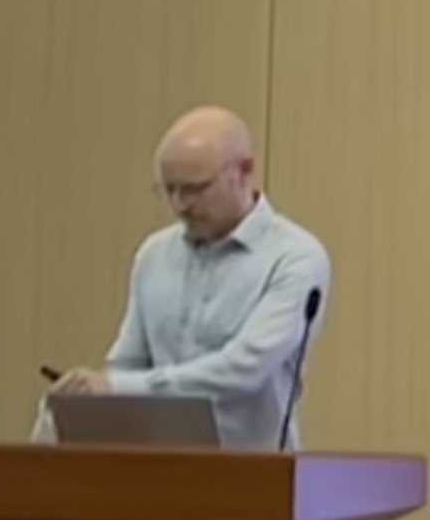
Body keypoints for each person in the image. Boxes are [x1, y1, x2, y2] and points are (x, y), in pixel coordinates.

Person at [49, 107, 332, 449]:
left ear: (244, 171)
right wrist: (89, 393)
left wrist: (118, 387)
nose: (180, 205)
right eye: (168, 190)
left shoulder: (294, 257)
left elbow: (243, 368)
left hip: (252, 469)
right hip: (155, 464)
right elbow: (129, 362)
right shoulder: (154, 253)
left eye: (194, 189)